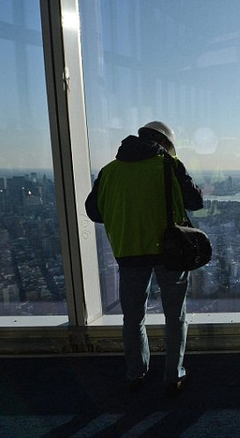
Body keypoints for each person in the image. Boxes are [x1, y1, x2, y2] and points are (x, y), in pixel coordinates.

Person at [85, 121, 204, 396]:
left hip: (129, 250)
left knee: (133, 317)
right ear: (164, 144)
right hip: (169, 250)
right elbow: (195, 201)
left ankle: (135, 373)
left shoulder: (109, 171)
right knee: (175, 316)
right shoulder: (169, 165)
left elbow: (94, 212)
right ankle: (174, 375)